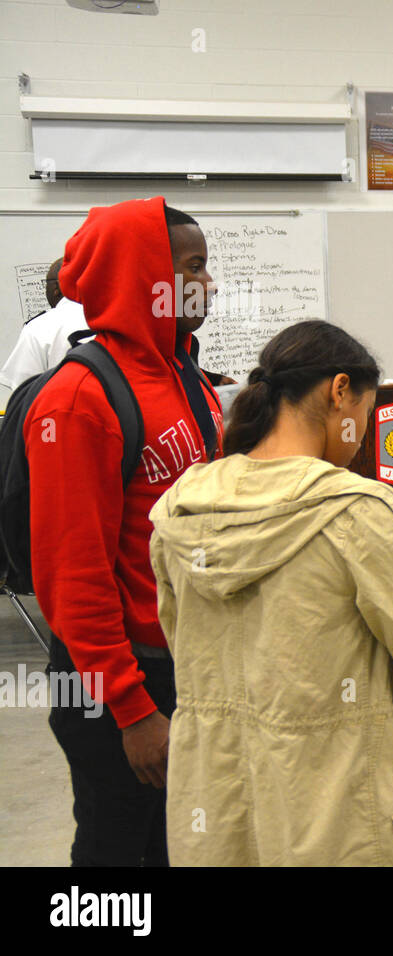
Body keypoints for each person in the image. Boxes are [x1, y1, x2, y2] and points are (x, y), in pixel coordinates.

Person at [149, 320, 393, 866]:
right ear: (339, 390)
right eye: (365, 415)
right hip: (346, 817)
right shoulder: (357, 513)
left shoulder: (181, 509)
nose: (363, 435)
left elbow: (185, 648)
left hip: (222, 809)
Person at [31, 197, 225, 866]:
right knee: (116, 852)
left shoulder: (185, 374)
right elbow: (71, 574)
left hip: (188, 666)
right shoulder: (79, 398)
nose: (209, 284)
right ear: (144, 275)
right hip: (118, 683)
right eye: (192, 268)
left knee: (178, 845)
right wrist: (132, 710)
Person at [0, 257, 90, 395]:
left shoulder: (40, 327)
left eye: (46, 284)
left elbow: (23, 390)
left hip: (56, 413)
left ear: (56, 288)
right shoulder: (113, 319)